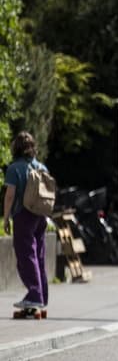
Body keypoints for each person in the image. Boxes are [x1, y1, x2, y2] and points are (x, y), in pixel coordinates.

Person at [2, 132, 50, 310]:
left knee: (26, 255)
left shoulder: (15, 168)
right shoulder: (42, 167)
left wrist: (6, 218)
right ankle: (42, 296)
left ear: (17, 148)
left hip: (23, 215)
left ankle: (34, 295)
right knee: (39, 254)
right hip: (41, 215)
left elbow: (10, 196)